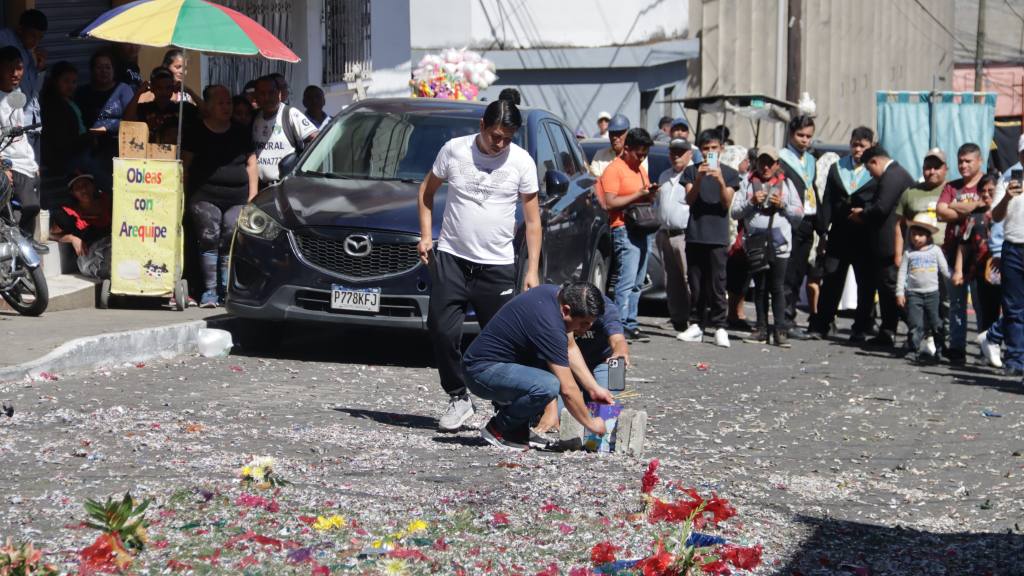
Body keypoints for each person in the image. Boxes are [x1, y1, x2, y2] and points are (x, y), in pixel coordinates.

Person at [416, 96, 542, 433]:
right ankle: (458, 397)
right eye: (495, 136)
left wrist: (531, 271)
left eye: (507, 138)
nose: (500, 144)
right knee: (442, 330)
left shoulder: (522, 162)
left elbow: (532, 221)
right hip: (453, 259)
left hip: (497, 265)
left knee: (503, 341)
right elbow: (426, 192)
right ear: (482, 127)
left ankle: (507, 406)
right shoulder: (454, 151)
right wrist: (427, 236)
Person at [462, 282, 614, 450]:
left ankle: (519, 428)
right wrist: (591, 424)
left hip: (502, 366)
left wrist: (593, 388)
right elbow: (568, 389)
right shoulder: (549, 323)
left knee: (544, 374)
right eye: (584, 323)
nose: (587, 329)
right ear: (566, 311)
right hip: (481, 372)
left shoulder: (555, 296)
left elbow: (570, 348)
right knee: (548, 385)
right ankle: (501, 428)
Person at [182, 85, 258, 308]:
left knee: (228, 239)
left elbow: (251, 162)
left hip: (237, 197)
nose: (227, 107)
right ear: (208, 106)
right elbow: (186, 166)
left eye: (229, 103)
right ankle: (209, 292)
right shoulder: (196, 131)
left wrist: (253, 195)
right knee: (209, 237)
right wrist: (184, 196)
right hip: (204, 196)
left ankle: (226, 291)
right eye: (221, 103)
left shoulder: (240, 131)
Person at [808, 127, 878, 340]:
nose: (857, 149)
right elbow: (828, 200)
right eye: (854, 144)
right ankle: (823, 323)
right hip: (839, 234)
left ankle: (861, 326)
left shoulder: (874, 170)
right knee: (831, 279)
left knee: (864, 282)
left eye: (862, 146)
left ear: (871, 147)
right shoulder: (838, 167)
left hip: (863, 235)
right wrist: (822, 231)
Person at [733, 146, 803, 347]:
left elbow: (799, 214)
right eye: (762, 162)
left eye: (770, 163)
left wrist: (783, 205)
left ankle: (780, 330)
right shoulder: (747, 183)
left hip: (780, 244)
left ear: (777, 165)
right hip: (756, 244)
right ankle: (761, 329)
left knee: (778, 287)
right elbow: (735, 212)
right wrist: (751, 202)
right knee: (760, 288)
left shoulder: (786, 184)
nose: (765, 167)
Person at [677, 129, 741, 347]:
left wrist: (721, 180)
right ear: (700, 150)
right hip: (696, 234)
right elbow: (689, 199)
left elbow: (726, 202)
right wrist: (700, 177)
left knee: (717, 283)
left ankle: (720, 326)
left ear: (721, 149)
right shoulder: (692, 172)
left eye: (714, 148)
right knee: (695, 283)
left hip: (718, 237)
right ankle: (696, 324)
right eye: (706, 149)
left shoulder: (731, 173)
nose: (710, 153)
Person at [533, 292, 630, 434]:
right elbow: (546, 363)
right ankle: (579, 405)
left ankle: (596, 407)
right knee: (560, 415)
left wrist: (621, 352)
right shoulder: (554, 314)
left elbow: (618, 340)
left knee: (615, 374)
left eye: (590, 323)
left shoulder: (606, 308)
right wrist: (551, 409)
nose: (586, 328)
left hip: (601, 361)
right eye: (582, 323)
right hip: (566, 367)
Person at [601, 128, 656, 342]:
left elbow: (645, 197)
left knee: (638, 281)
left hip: (642, 228)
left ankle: (631, 322)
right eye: (638, 153)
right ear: (627, 149)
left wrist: (650, 193)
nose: (641, 157)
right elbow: (609, 202)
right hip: (623, 228)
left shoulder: (640, 170)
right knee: (625, 280)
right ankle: (618, 325)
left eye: (644, 154)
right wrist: (638, 194)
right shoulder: (615, 170)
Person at [857, 145, 915, 347]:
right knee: (885, 289)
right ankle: (887, 330)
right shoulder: (894, 173)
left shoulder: (893, 175)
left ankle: (919, 329)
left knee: (892, 289)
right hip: (886, 244)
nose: (870, 174)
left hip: (891, 244)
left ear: (875, 161)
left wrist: (862, 213)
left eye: (868, 168)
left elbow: (881, 208)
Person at [893, 147, 949, 347]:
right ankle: (921, 340)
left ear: (946, 169)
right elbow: (899, 225)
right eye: (928, 167)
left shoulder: (950, 190)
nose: (932, 171)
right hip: (917, 256)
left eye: (937, 167)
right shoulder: (911, 193)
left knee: (944, 300)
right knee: (917, 300)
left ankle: (944, 339)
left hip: (945, 253)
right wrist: (899, 254)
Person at [936, 143, 986, 364]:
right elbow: (940, 211)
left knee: (981, 303)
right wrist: (972, 208)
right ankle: (957, 347)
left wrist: (956, 206)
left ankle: (986, 348)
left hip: (979, 255)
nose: (963, 166)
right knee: (956, 303)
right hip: (952, 250)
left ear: (979, 161)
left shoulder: (987, 183)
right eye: (960, 161)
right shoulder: (951, 186)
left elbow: (988, 204)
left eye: (968, 161)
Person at [0, 46, 46, 254]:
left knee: (30, 206)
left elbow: (21, 134)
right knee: (29, 206)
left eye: (19, 68)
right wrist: (3, 167)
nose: (15, 74)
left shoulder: (17, 95)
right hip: (9, 162)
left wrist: (33, 163)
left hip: (25, 161)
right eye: (9, 69)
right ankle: (21, 244)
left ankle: (24, 243)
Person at [779, 115, 819, 338]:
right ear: (791, 134)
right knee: (788, 272)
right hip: (790, 220)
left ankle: (790, 315)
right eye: (800, 135)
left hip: (808, 220)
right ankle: (784, 318)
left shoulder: (810, 160)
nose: (805, 140)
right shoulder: (783, 159)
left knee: (799, 273)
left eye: (808, 136)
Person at [989, 134, 1024, 375]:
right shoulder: (1009, 179)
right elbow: (996, 216)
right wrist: (1008, 197)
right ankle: (1015, 360)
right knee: (1013, 308)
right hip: (1013, 247)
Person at [953, 175, 1001, 340]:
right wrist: (959, 270)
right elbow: (964, 243)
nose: (986, 194)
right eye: (983, 190)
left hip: (1005, 268)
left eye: (991, 191)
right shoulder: (973, 216)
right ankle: (985, 349)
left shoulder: (1008, 211)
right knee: (985, 311)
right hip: (981, 271)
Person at [896, 217, 950, 362]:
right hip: (914, 294)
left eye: (920, 235)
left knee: (936, 323)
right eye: (913, 234)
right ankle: (913, 349)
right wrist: (900, 292)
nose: (916, 238)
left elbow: (944, 269)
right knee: (915, 324)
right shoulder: (909, 253)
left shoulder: (935, 251)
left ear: (928, 236)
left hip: (933, 294)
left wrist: (954, 279)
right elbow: (902, 273)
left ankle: (940, 350)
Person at [655, 138, 694, 334]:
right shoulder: (664, 175)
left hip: (685, 234)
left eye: (681, 152)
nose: (676, 156)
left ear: (690, 154)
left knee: (689, 278)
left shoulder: (694, 174)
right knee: (672, 279)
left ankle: (695, 320)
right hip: (664, 233)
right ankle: (678, 319)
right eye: (673, 152)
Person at [252, 75, 317, 185]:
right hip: (260, 189)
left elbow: (316, 139)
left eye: (271, 92)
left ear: (279, 94)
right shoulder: (254, 117)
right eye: (262, 93)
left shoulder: (290, 114)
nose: (267, 97)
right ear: (256, 97)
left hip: (285, 187)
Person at [0, 9, 46, 156]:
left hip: (30, 121)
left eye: (40, 37)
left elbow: (35, 90)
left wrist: (40, 69)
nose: (36, 41)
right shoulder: (4, 40)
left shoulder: (32, 52)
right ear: (20, 29)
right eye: (33, 35)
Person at [49, 173, 111, 279]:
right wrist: (72, 238)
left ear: (93, 186)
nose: (83, 190)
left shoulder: (107, 203)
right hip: (90, 259)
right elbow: (50, 235)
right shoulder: (70, 214)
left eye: (86, 185)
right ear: (73, 193)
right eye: (78, 187)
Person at [40, 61, 90, 188]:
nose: (71, 86)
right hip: (67, 160)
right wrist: (90, 137)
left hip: (78, 152)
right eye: (66, 81)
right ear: (55, 82)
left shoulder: (68, 101)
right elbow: (63, 143)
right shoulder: (54, 107)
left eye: (74, 82)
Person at [125, 67, 198, 145]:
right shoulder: (144, 108)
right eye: (159, 88)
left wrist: (189, 91)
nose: (164, 92)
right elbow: (127, 119)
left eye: (168, 88)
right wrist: (139, 93)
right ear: (152, 88)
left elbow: (206, 113)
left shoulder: (182, 108)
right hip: (150, 154)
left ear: (173, 88)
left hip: (177, 154)